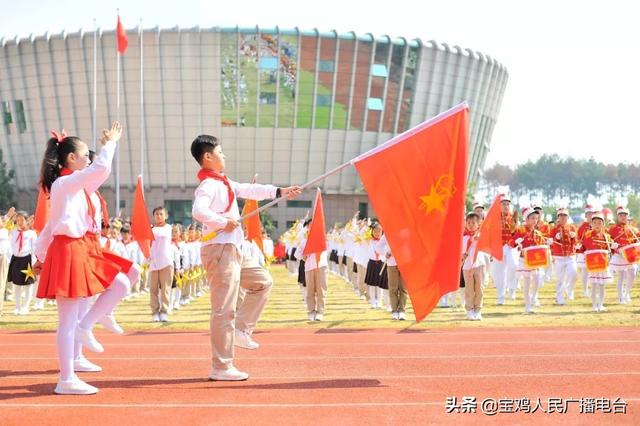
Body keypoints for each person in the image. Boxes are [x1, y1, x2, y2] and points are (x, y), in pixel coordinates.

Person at [191, 134, 301, 381]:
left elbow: (250, 189)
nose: (224, 155)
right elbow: (198, 211)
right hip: (220, 250)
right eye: (220, 151)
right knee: (223, 310)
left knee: (263, 282)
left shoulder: (224, 182)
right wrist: (222, 222)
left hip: (234, 249)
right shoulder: (208, 185)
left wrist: (281, 191)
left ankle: (242, 329)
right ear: (208, 156)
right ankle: (221, 366)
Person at [34, 123, 134, 395]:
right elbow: (99, 169)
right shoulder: (66, 183)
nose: (88, 159)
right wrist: (110, 143)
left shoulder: (77, 188)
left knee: (123, 283)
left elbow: (49, 227)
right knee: (67, 320)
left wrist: (40, 253)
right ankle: (66, 377)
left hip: (81, 248)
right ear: (71, 159)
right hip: (69, 250)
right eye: (84, 156)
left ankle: (86, 327)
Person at [510, 208, 548, 314]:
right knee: (526, 282)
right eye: (532, 218)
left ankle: (534, 297)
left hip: (535, 262)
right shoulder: (520, 230)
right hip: (524, 261)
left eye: (536, 218)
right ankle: (527, 306)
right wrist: (516, 242)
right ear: (526, 219)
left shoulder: (538, 233)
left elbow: (541, 246)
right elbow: (511, 243)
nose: (535, 220)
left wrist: (548, 243)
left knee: (537, 280)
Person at [580, 212, 615, 311]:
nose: (597, 225)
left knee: (602, 285)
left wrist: (614, 247)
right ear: (591, 224)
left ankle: (601, 305)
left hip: (603, 264)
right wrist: (579, 248)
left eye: (599, 222)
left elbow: (610, 251)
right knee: (594, 284)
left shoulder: (606, 236)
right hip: (593, 264)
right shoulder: (587, 235)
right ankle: (594, 305)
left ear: (603, 224)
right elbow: (583, 248)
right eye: (595, 222)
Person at [8, 211, 37, 315]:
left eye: (22, 220)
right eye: (18, 220)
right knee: (17, 284)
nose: (19, 222)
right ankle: (17, 306)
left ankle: (25, 306)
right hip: (16, 259)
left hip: (27, 260)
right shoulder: (14, 232)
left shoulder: (31, 233)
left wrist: (33, 262)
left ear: (27, 220)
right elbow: (11, 245)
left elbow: (35, 248)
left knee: (28, 284)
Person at [608, 206, 639, 304]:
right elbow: (608, 241)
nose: (623, 217)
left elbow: (637, 240)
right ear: (617, 216)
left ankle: (626, 293)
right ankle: (620, 297)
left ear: (627, 216)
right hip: (619, 255)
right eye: (620, 215)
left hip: (630, 255)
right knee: (621, 275)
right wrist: (614, 246)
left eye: (624, 215)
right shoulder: (612, 229)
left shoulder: (633, 229)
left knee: (633, 273)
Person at [548, 207, 578, 305]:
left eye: (565, 215)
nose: (563, 217)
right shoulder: (553, 229)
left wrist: (574, 238)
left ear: (568, 216)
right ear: (558, 217)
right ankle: (559, 298)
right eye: (561, 215)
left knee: (574, 273)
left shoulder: (572, 227)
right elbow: (550, 242)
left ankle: (569, 289)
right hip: (559, 256)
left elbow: (576, 242)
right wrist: (554, 238)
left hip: (570, 255)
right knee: (560, 278)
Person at [462, 212, 488, 320]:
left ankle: (478, 310)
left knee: (479, 289)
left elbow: (487, 246)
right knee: (469, 289)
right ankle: (469, 310)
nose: (471, 225)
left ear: (478, 224)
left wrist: (478, 239)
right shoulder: (463, 237)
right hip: (467, 267)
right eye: (468, 222)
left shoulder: (481, 236)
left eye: (473, 223)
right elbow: (461, 251)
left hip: (479, 265)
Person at [149, 207, 174, 322]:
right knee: (153, 289)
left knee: (165, 289)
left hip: (167, 262)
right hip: (154, 262)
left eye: (161, 214)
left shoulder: (169, 228)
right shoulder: (151, 229)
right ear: (153, 216)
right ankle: (155, 312)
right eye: (156, 214)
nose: (159, 216)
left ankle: (164, 311)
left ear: (166, 216)